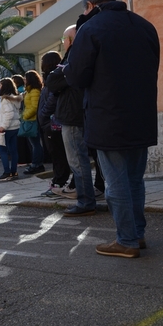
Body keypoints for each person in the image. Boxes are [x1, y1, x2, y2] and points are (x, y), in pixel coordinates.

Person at [63, 0, 160, 258]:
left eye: (84, 10)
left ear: (91, 5)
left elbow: (77, 76)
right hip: (142, 116)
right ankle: (137, 235)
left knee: (116, 182)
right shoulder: (145, 26)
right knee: (134, 181)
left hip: (108, 116)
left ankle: (126, 240)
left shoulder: (91, 29)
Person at [46, 24, 97, 216]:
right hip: (74, 114)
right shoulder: (74, 58)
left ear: (71, 41)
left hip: (74, 116)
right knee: (78, 160)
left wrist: (59, 76)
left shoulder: (77, 57)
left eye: (64, 39)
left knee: (77, 160)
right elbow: (53, 82)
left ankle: (86, 202)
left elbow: (53, 81)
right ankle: (87, 199)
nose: (63, 43)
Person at [38, 52, 71, 195]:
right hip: (50, 123)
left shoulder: (54, 79)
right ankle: (58, 180)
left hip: (53, 124)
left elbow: (52, 100)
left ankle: (59, 182)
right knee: (57, 155)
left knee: (59, 156)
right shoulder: (51, 79)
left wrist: (43, 115)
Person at [22, 70, 46, 175]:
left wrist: (25, 115)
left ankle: (37, 164)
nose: (24, 80)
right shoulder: (30, 91)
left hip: (32, 120)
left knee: (35, 144)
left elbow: (34, 107)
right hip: (30, 119)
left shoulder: (34, 91)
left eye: (25, 78)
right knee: (35, 144)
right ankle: (37, 163)